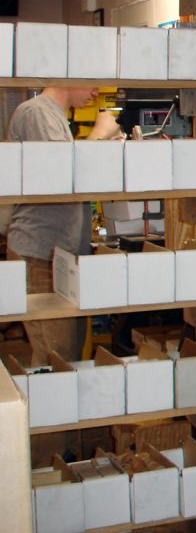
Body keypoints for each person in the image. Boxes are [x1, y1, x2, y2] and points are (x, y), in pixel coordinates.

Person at [6, 87, 121, 365]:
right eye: (91, 81)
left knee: (63, 355)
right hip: (41, 254)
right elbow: (61, 175)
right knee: (56, 359)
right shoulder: (37, 113)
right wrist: (98, 134)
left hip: (57, 254)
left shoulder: (54, 116)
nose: (95, 91)